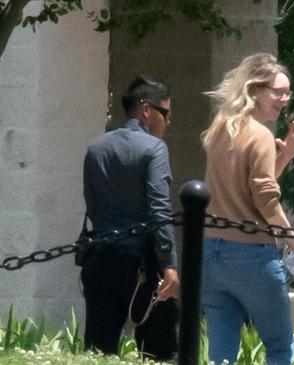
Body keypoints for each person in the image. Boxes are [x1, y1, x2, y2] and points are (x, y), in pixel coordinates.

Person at [200, 53, 294, 365]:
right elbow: (263, 197)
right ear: (255, 90)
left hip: (211, 253)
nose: (284, 100)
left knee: (220, 354)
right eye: (278, 92)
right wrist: (292, 238)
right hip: (252, 255)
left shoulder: (221, 128)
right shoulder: (261, 135)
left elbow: (246, 189)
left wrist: (285, 155)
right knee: (279, 345)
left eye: (287, 93)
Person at [81, 76, 179, 360]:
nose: (168, 122)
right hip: (143, 266)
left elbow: (92, 205)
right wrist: (169, 265)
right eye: (166, 113)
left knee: (98, 350)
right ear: (146, 111)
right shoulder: (154, 149)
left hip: (99, 257)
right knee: (157, 351)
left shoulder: (96, 148)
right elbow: (159, 209)